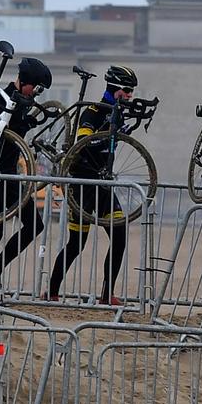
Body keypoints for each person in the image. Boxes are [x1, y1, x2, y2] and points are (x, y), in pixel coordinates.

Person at [45, 65, 142, 305]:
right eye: (127, 91)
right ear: (115, 89)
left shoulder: (117, 112)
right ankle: (51, 292)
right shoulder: (93, 111)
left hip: (103, 183)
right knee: (76, 243)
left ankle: (106, 295)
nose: (130, 96)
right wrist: (107, 134)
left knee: (119, 237)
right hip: (83, 183)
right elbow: (82, 142)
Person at [0, 56, 53, 292]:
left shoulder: (25, 102)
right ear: (25, 82)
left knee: (34, 225)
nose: (37, 93)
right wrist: (19, 124)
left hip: (10, 174)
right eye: (36, 88)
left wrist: (27, 123)